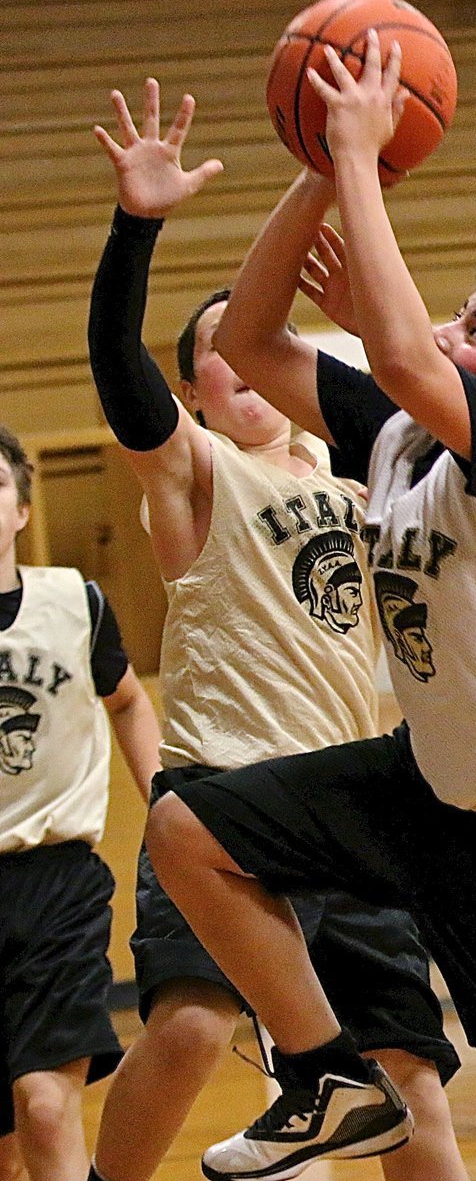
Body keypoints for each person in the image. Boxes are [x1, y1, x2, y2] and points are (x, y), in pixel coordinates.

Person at [144, 33, 476, 1181]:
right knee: (190, 829)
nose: (441, 332)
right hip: (431, 791)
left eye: (475, 329)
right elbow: (247, 336)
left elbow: (393, 346)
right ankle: (326, 1075)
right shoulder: (396, 441)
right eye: (455, 310)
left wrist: (367, 160)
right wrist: (321, 169)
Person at [86, 78, 467, 1181]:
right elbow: (117, 371)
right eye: (219, 349)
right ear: (201, 385)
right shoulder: (194, 470)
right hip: (226, 803)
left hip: (350, 801)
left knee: (410, 1092)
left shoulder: (365, 478)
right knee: (196, 1027)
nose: (246, 359)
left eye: (263, 339)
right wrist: (136, 228)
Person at [0, 425, 160, 1181]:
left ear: (22, 509)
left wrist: (165, 805)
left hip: (56, 879)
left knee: (43, 1102)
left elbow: (127, 702)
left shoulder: (74, 601)